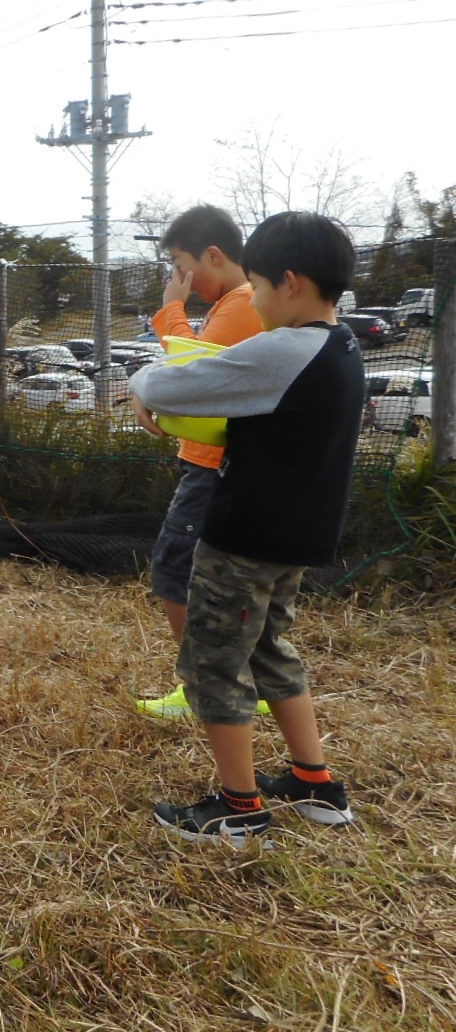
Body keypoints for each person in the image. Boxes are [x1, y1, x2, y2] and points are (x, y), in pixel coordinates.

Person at [130, 211, 364, 844]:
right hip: (295, 537)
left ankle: (239, 808)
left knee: (213, 666)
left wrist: (138, 382)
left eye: (257, 285)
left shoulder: (283, 348)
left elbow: (176, 384)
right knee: (269, 650)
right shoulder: (343, 347)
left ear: (290, 282)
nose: (252, 299)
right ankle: (317, 784)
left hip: (245, 538)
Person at [134, 206, 266, 720]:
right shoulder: (241, 301)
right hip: (214, 462)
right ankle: (225, 683)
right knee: (211, 578)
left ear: (213, 255)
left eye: (180, 265)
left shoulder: (240, 303)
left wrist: (171, 307)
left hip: (212, 467)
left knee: (174, 570)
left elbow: (188, 375)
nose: (178, 277)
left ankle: (200, 688)